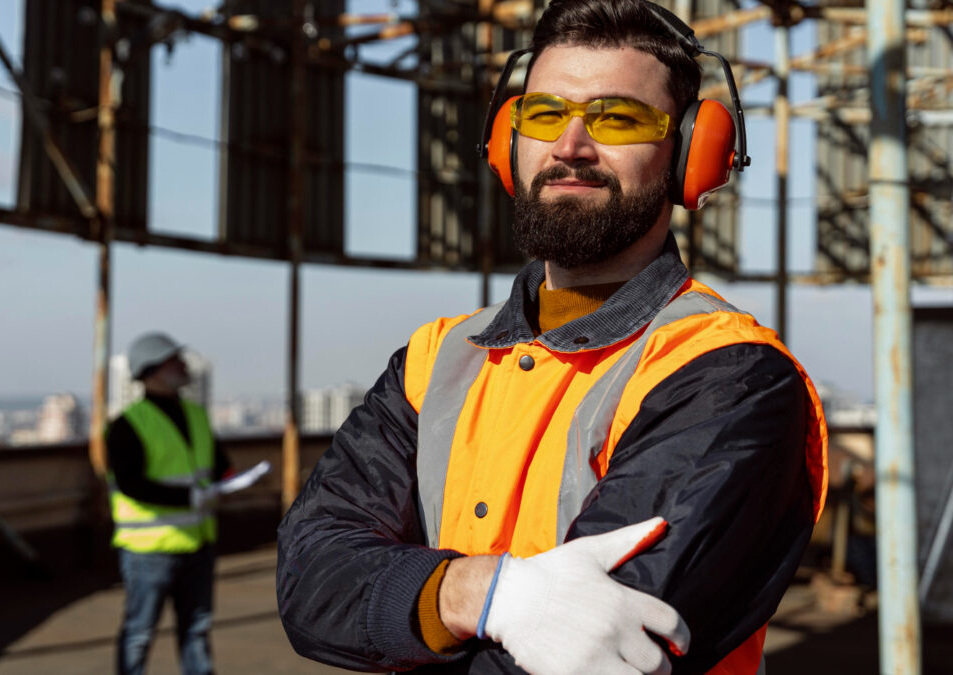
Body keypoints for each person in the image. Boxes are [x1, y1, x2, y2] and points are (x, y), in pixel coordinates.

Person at [276, 1, 828, 673]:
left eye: (617, 118)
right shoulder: (436, 358)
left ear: (689, 153)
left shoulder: (730, 375)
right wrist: (477, 594)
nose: (570, 147)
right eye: (543, 115)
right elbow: (310, 574)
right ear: (510, 142)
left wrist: (412, 602)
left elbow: (598, 645)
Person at [107, 332, 231, 675]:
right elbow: (130, 484)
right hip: (150, 550)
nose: (183, 365)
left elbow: (219, 463)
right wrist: (191, 497)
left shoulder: (196, 415)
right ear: (151, 371)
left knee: (197, 630)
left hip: (197, 542)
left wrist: (232, 478)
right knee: (139, 633)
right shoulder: (127, 425)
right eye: (173, 360)